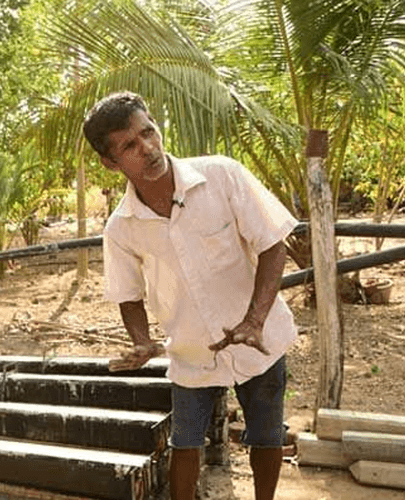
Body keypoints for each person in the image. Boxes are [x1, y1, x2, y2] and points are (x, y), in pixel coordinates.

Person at [82, 91, 298, 500]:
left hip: (259, 339)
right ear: (110, 163)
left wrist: (255, 319)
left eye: (148, 132)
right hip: (189, 351)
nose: (147, 147)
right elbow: (129, 296)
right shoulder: (121, 228)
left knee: (267, 436)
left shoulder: (221, 176)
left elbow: (273, 244)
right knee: (185, 445)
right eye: (129, 145)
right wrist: (142, 341)